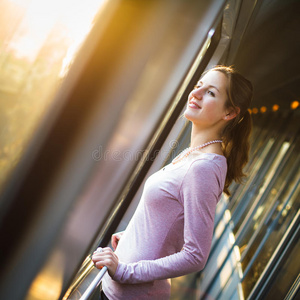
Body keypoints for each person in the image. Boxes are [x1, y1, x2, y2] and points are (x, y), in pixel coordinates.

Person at [92, 65, 253, 299]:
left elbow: (195, 255)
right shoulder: (192, 155)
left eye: (210, 93)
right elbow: (170, 217)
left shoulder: (203, 168)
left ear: (229, 113)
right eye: (199, 86)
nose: (196, 93)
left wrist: (125, 271)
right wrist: (133, 236)